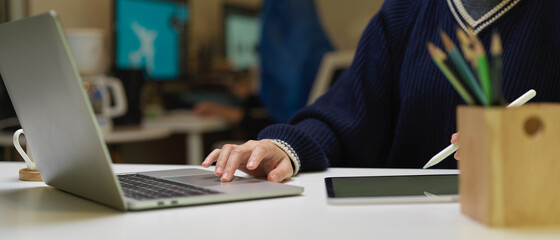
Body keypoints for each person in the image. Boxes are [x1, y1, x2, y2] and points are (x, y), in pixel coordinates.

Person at [202, 0, 560, 182]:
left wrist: (540, 142)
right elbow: (345, 113)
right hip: (407, 223)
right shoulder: (405, 11)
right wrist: (284, 148)